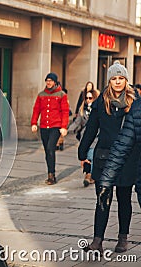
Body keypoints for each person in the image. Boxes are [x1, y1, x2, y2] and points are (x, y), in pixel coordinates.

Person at [78, 61, 139, 253]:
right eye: (114, 78)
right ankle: (97, 240)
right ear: (109, 81)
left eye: (121, 78)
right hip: (104, 158)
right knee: (102, 199)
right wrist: (83, 151)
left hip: (127, 158)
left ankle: (123, 238)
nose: (118, 82)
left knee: (124, 199)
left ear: (126, 80)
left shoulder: (135, 103)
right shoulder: (100, 102)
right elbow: (91, 129)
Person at [31, 72, 70, 185]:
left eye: (51, 80)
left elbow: (65, 111)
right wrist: (34, 123)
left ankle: (51, 175)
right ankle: (50, 172)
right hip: (44, 126)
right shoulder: (41, 94)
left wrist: (64, 127)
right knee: (47, 151)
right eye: (47, 80)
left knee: (50, 148)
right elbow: (36, 110)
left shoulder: (61, 94)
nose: (48, 82)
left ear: (55, 82)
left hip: (55, 126)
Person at [69, 88, 100, 186]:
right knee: (86, 156)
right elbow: (78, 121)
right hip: (84, 136)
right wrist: (69, 129)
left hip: (96, 137)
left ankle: (89, 175)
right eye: (86, 98)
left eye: (90, 98)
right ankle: (89, 174)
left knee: (91, 154)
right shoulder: (82, 109)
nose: (88, 100)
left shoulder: (98, 108)